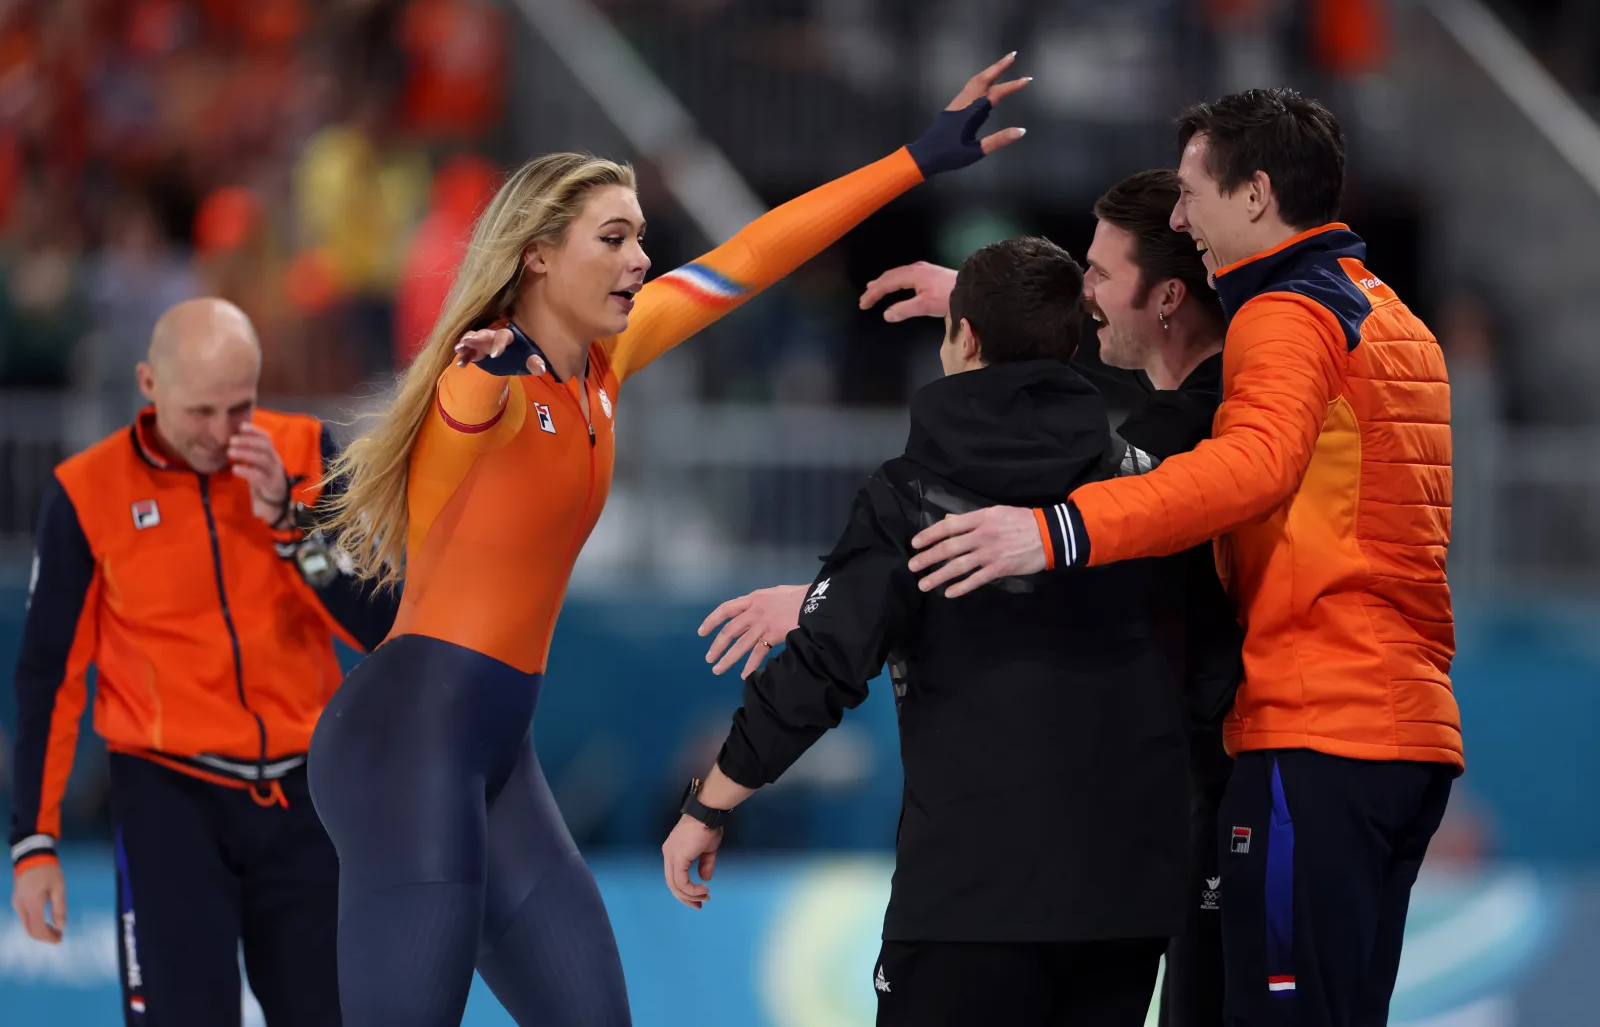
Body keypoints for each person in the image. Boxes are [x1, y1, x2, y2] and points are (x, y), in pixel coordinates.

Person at [309, 55, 1031, 1027]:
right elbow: (461, 410)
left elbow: (751, 256)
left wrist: (912, 161)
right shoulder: (488, 382)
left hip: (496, 752)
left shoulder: (602, 365)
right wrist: (487, 366)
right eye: (614, 239)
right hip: (406, 741)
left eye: (641, 238)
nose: (641, 260)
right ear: (537, 256)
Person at [905, 89, 1462, 1026]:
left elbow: (1249, 466)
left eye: (1192, 193)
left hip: (1314, 734)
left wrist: (1058, 529)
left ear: (1255, 195)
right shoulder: (1387, 314)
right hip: (1399, 737)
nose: (1178, 217)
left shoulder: (1284, 315)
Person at [704, 169, 1242, 1025]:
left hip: (969, 901)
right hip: (1129, 900)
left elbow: (827, 661)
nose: (1093, 295)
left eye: (1100, 275)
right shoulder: (1164, 479)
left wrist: (710, 801)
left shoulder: (913, 494)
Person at [9, 297, 398, 1026]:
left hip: (305, 796)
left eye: (239, 408)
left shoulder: (305, 452)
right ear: (148, 385)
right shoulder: (87, 493)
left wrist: (293, 528)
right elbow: (48, 676)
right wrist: (34, 842)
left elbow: (382, 624)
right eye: (201, 413)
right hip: (169, 799)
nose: (222, 434)